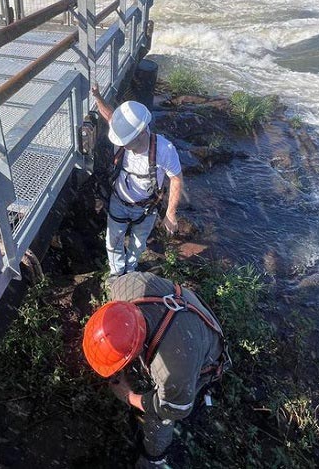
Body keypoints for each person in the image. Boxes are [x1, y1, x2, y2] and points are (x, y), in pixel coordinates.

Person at [82, 272, 230, 468]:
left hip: (204, 356)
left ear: (136, 350)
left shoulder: (172, 370)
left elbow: (176, 409)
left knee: (159, 420)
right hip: (185, 318)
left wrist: (129, 396)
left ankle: (154, 460)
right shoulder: (125, 284)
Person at [91, 84, 183, 281]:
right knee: (113, 241)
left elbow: (176, 178)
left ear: (141, 133)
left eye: (126, 142)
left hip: (146, 207)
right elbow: (110, 116)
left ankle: (131, 270)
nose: (122, 145)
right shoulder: (123, 137)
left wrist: (170, 214)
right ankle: (116, 273)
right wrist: (97, 96)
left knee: (138, 243)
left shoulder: (164, 150)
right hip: (119, 201)